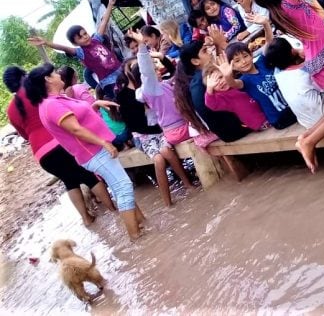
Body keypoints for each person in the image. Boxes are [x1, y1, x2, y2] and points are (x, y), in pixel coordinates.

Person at [24, 64, 144, 239]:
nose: (58, 74)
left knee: (120, 187)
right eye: (54, 73)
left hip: (94, 150)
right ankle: (135, 236)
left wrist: (94, 105)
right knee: (124, 187)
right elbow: (76, 130)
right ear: (47, 79)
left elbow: (79, 119)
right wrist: (103, 143)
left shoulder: (57, 100)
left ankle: (141, 223)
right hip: (94, 152)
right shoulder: (51, 105)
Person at [3, 66, 115, 227]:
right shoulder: (37, 91)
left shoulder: (11, 110)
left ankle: (86, 218)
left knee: (69, 181)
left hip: (41, 155)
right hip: (58, 143)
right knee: (88, 176)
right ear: (23, 76)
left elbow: (25, 136)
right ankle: (114, 210)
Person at [122, 30, 196, 206]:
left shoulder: (163, 85)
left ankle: (182, 190)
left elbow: (176, 72)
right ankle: (177, 192)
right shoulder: (151, 90)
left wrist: (162, 56)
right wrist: (142, 46)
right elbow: (147, 72)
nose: (158, 70)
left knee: (163, 152)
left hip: (169, 133)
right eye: (156, 69)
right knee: (160, 156)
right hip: (174, 132)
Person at [262, 37, 324, 172]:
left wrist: (293, 52)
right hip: (322, 116)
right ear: (292, 51)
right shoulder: (307, 70)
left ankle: (305, 136)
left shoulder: (277, 73)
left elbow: (270, 53)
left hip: (306, 121)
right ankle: (309, 141)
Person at [29, 0, 122, 98]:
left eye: (85, 33)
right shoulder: (81, 52)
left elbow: (104, 22)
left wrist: (110, 4)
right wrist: (46, 42)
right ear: (75, 43)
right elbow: (63, 48)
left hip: (120, 70)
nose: (85, 37)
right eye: (80, 37)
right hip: (109, 82)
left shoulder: (97, 39)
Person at [174, 39, 252, 143]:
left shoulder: (200, 78)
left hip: (230, 131)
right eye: (205, 51)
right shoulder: (203, 81)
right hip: (237, 129)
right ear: (195, 61)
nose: (210, 52)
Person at [221, 41, 296, 129]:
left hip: (292, 107)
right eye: (237, 61)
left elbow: (269, 43)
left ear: (251, 55)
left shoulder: (261, 62)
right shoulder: (244, 81)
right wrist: (227, 76)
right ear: (233, 66)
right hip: (279, 119)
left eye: (245, 56)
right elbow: (233, 83)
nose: (244, 61)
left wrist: (266, 26)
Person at [202, 63, 270, 132]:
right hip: (261, 123)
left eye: (220, 77)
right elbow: (211, 104)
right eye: (215, 83)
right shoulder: (222, 97)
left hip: (268, 113)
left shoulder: (237, 83)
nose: (220, 83)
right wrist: (209, 89)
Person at [94, 85, 131, 150]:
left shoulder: (100, 109)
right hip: (127, 133)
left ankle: (124, 145)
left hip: (115, 139)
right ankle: (129, 141)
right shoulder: (116, 101)